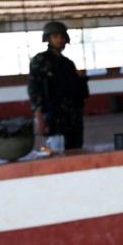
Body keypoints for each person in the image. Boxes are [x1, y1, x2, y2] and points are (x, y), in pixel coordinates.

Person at [28, 21, 89, 149]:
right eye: (55, 36)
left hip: (73, 116)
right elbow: (34, 89)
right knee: (58, 152)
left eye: (62, 37)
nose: (59, 40)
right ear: (48, 39)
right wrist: (39, 117)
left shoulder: (68, 63)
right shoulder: (40, 61)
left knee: (76, 149)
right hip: (54, 115)